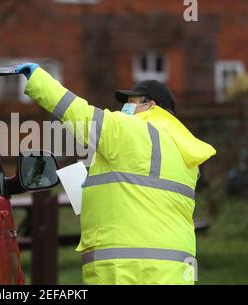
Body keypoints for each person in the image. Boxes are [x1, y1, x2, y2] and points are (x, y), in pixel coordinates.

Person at [15, 63, 216, 285]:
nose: (125, 109)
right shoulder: (185, 149)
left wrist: (38, 79)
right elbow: (144, 192)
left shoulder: (128, 130)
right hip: (176, 265)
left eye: (131, 102)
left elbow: (77, 112)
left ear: (151, 105)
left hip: (125, 266)